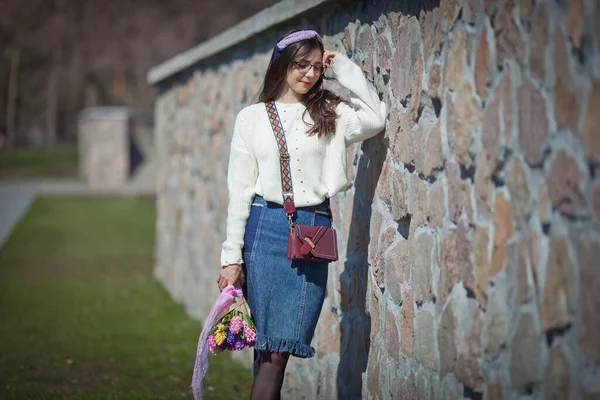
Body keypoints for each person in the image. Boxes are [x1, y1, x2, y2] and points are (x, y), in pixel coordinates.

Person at [216, 29, 386, 399]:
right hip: (264, 231)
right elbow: (240, 191)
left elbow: (375, 118)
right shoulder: (251, 118)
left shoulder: (331, 112)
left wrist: (341, 67)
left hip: (313, 231)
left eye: (315, 66)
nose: (309, 73)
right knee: (269, 352)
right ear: (282, 64)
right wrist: (231, 257)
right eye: (300, 64)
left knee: (278, 349)